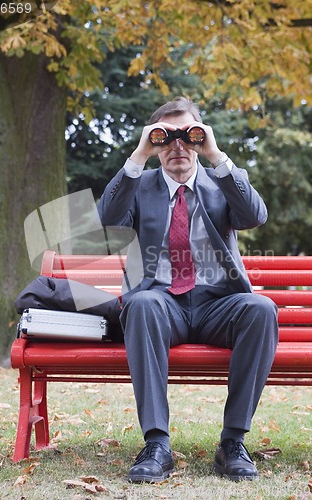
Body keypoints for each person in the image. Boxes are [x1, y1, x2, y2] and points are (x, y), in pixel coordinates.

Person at [97, 97, 279, 483]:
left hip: (219, 304)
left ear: (200, 138)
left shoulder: (219, 183)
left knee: (261, 308)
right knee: (142, 303)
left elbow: (255, 215)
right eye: (166, 138)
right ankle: (157, 444)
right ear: (155, 142)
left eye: (188, 136)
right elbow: (107, 218)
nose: (178, 146)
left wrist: (214, 153)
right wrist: (139, 155)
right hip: (163, 303)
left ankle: (232, 443)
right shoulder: (141, 185)